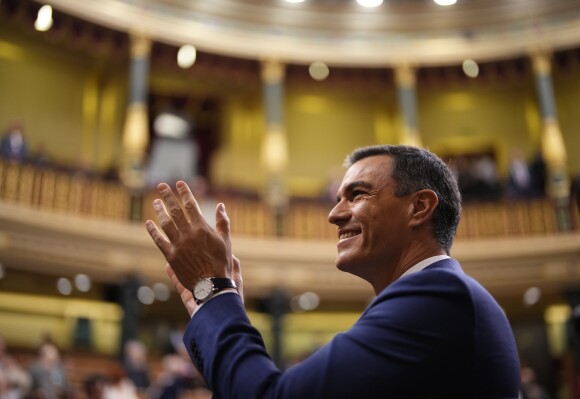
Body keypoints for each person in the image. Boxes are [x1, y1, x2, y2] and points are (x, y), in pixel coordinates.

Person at [145, 144, 521, 398]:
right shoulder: (437, 300)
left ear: (419, 207)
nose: (334, 214)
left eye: (357, 195)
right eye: (337, 197)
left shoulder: (440, 299)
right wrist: (218, 310)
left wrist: (216, 296)